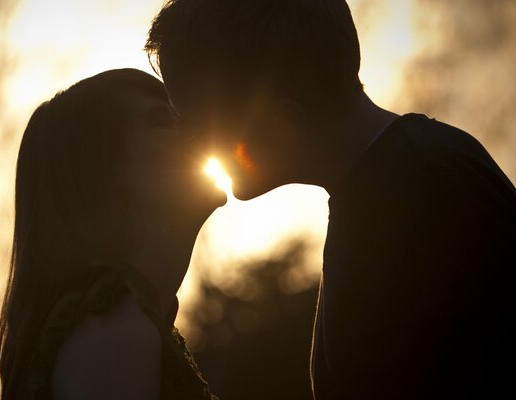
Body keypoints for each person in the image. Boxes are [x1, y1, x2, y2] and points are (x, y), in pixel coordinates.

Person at [145, 0, 516, 399]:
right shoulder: (387, 188)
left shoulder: (432, 185)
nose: (189, 144)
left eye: (199, 125)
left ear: (280, 119)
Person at [0, 69, 221, 399]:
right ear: (108, 175)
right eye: (163, 120)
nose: (194, 133)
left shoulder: (121, 318)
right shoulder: (112, 330)